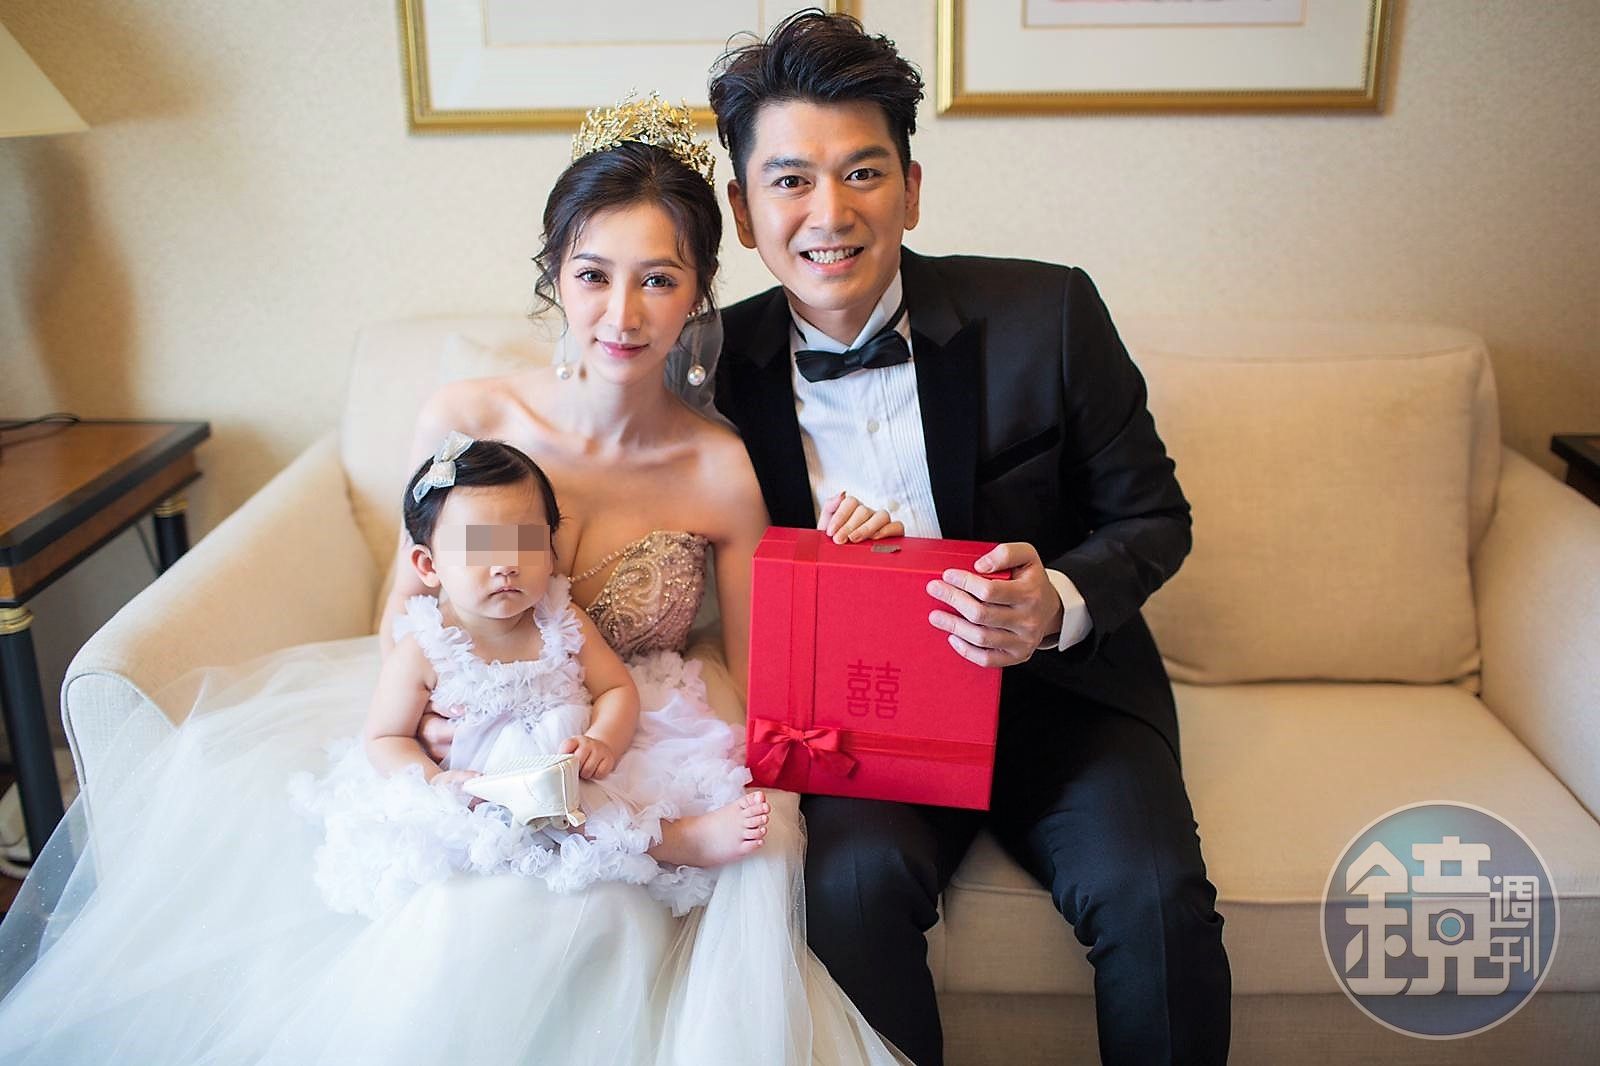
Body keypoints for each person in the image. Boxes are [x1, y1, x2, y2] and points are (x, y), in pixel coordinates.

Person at [0, 93, 908, 1065]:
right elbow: (407, 607)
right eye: (593, 275)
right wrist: (440, 720)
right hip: (468, 725)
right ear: (554, 276)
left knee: (586, 913)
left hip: (631, 739)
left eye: (658, 279)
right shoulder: (471, 422)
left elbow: (765, 670)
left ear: (697, 293)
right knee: (453, 912)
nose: (622, 313)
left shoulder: (718, 468)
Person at [708, 12, 1232, 1065]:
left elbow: (1153, 516)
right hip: (862, 721)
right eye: (791, 180)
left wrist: (1058, 601)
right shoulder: (711, 369)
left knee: (1153, 893)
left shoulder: (1048, 312)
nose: (829, 213)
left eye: (862, 173)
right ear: (742, 210)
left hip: (1062, 696)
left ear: (910, 187)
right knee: (847, 888)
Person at [295, 434, 769, 920]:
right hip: (481, 795)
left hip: (571, 771)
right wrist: (437, 781)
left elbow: (615, 688)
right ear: (428, 565)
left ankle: (679, 838)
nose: (506, 565)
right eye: (479, 547)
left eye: (526, 543)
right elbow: (385, 737)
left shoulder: (561, 620)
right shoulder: (424, 649)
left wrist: (603, 739)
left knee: (590, 802)